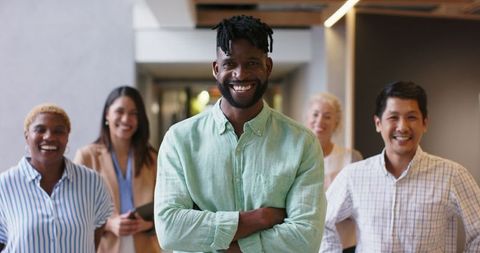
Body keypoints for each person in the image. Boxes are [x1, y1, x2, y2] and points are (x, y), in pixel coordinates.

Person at [154, 15, 326, 253]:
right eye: (230, 64)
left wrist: (221, 244)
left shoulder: (301, 143)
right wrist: (259, 218)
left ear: (268, 66)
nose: (240, 74)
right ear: (216, 69)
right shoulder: (180, 140)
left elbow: (305, 239)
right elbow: (170, 230)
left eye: (252, 63)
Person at [319, 81, 480, 252]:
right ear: (378, 123)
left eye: (411, 117)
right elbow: (321, 221)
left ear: (425, 123)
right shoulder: (353, 176)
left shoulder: (452, 175)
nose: (402, 127)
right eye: (393, 117)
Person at [0, 103, 113, 252]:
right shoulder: (4, 186)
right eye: (40, 130)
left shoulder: (93, 183)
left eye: (58, 131)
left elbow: (93, 241)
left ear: (67, 138)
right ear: (27, 136)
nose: (49, 137)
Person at [74, 86, 162, 253]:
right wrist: (108, 224)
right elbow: (72, 209)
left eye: (133, 113)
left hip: (145, 246)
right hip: (103, 246)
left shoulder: (152, 158)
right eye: (120, 111)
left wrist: (150, 224)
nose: (126, 119)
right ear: (107, 114)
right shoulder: (87, 156)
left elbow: (168, 204)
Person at [305, 92, 362, 252]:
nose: (320, 121)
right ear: (307, 118)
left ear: (336, 123)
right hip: (307, 243)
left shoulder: (351, 157)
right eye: (315, 114)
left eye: (327, 116)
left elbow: (360, 204)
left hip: (344, 244)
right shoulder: (295, 158)